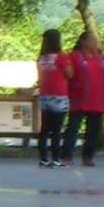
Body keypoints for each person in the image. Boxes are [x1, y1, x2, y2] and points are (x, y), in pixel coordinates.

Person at [60, 31, 104, 167]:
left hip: (97, 100)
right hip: (78, 99)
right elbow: (67, 75)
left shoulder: (101, 59)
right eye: (92, 40)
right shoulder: (73, 56)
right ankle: (66, 156)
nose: (95, 43)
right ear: (83, 42)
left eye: (96, 40)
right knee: (73, 128)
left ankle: (88, 156)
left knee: (93, 130)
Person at [34, 28, 74, 167]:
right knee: (57, 130)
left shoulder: (41, 58)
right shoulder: (61, 56)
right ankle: (56, 158)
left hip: (45, 95)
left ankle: (43, 157)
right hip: (59, 95)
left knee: (45, 128)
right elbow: (69, 74)